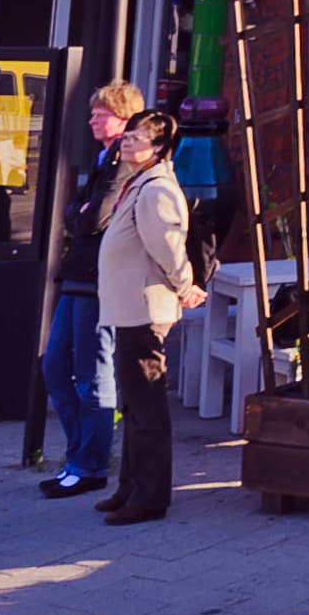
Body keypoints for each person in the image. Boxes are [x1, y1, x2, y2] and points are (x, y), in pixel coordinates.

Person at [92, 108, 204, 526]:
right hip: (129, 308)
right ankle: (129, 487)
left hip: (144, 308)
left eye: (137, 138)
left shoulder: (156, 189)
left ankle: (150, 496)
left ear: (158, 148)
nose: (127, 143)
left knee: (146, 407)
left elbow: (170, 250)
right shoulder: (138, 182)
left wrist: (185, 286)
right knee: (134, 405)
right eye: (128, 136)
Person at [38, 80, 141, 501]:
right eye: (93, 112)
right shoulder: (103, 159)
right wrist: (76, 212)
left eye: (102, 113)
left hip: (100, 281)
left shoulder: (122, 163)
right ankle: (78, 454)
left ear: (124, 119)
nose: (92, 119)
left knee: (93, 375)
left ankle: (91, 465)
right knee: (55, 367)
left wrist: (79, 213)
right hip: (77, 275)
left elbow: (92, 218)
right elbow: (73, 213)